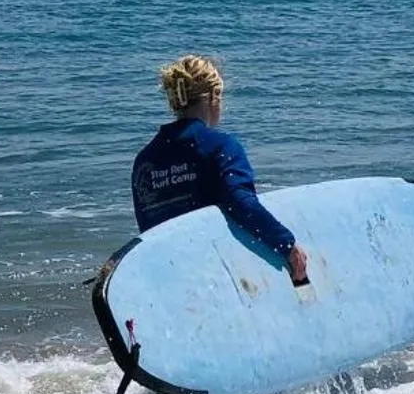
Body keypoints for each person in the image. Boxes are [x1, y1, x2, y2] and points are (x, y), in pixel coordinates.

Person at [132, 55, 309, 284]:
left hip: (167, 274)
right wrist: (287, 245)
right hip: (212, 270)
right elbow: (241, 202)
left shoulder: (144, 160)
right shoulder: (220, 146)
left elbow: (148, 228)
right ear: (214, 97)